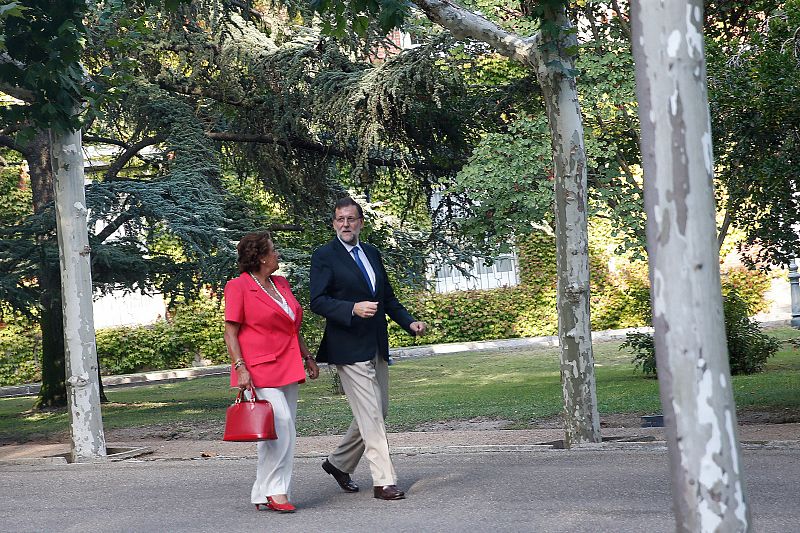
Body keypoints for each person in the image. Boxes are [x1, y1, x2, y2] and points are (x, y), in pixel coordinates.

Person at [309, 197, 427, 501]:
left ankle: (338, 464)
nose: (345, 225)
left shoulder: (372, 253)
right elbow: (318, 301)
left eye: (350, 219)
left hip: (376, 343)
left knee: (379, 410)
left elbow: (387, 298)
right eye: (339, 220)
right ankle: (383, 481)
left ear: (361, 222)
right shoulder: (325, 256)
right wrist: (352, 308)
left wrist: (409, 323)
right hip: (347, 347)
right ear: (334, 223)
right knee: (372, 414)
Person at [223, 231, 320, 513]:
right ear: (262, 257)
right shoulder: (238, 287)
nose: (278, 255)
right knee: (283, 425)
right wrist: (240, 368)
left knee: (275, 432)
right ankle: (276, 491)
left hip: (288, 364)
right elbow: (231, 333)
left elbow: (292, 326)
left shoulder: (280, 283)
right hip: (258, 367)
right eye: (273, 250)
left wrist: (307, 356)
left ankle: (262, 492)